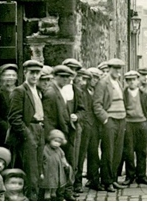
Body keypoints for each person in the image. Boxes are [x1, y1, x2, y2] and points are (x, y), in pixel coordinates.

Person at [7, 59, 45, 201]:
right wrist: (27, 135)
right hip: (28, 131)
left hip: (39, 129)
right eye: (32, 73)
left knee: (39, 168)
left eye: (37, 73)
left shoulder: (38, 91)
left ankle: (34, 196)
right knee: (31, 171)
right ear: (25, 73)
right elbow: (14, 117)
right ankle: (30, 197)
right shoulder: (20, 91)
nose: (35, 76)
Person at [42, 64, 78, 201]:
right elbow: (49, 118)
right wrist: (53, 139)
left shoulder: (60, 91)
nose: (66, 80)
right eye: (63, 77)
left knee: (66, 164)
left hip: (64, 134)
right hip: (57, 137)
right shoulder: (51, 93)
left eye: (68, 77)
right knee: (59, 167)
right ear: (55, 77)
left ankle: (66, 192)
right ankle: (60, 194)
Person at [92, 58, 127, 192]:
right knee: (109, 151)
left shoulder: (118, 82)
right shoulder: (103, 83)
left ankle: (113, 179)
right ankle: (107, 181)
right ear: (109, 68)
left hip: (121, 119)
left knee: (118, 152)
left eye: (119, 69)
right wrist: (105, 119)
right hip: (110, 120)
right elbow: (97, 104)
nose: (117, 71)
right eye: (115, 68)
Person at [121, 70, 147, 186]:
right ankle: (130, 175)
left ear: (138, 80)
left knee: (142, 151)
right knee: (128, 151)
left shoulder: (144, 94)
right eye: (128, 80)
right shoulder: (123, 94)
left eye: (133, 79)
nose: (131, 82)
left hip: (142, 124)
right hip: (128, 124)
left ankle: (141, 175)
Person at [77, 67, 103, 191]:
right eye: (92, 77)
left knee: (94, 153)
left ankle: (94, 179)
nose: (94, 80)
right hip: (83, 125)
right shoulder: (81, 91)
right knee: (81, 154)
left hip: (94, 126)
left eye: (97, 78)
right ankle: (77, 182)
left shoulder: (97, 91)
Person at [70, 65, 93, 193]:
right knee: (71, 155)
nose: (81, 81)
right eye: (79, 77)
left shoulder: (86, 92)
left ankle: (77, 181)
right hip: (72, 126)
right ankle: (70, 182)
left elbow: (86, 110)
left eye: (84, 78)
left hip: (84, 126)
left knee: (81, 155)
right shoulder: (70, 90)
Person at [40, 129, 72, 202]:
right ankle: (47, 198)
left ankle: (54, 196)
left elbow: (62, 156)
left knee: (55, 187)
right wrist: (41, 172)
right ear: (50, 139)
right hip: (48, 172)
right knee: (48, 188)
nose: (57, 144)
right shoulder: (45, 149)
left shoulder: (59, 150)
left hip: (57, 171)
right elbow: (41, 161)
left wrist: (65, 164)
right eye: (55, 141)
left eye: (59, 142)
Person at [0, 64, 18, 147]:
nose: (11, 77)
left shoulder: (19, 91)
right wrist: (6, 127)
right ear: (1, 77)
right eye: (7, 75)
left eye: (13, 75)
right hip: (4, 132)